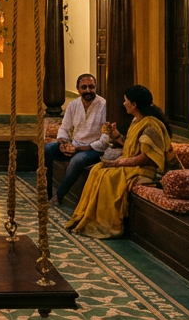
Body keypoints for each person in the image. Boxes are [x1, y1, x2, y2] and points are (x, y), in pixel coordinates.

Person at [65, 84, 171, 240]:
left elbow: (146, 157)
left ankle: (108, 223)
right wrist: (115, 136)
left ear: (134, 104)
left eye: (126, 100)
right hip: (130, 164)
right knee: (97, 170)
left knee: (107, 177)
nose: (124, 104)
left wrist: (118, 163)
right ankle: (86, 216)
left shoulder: (151, 125)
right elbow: (129, 144)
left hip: (141, 169)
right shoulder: (137, 120)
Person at [43, 73, 110, 203]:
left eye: (91, 87)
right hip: (75, 146)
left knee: (78, 160)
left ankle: (59, 196)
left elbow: (105, 139)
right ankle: (47, 192)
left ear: (96, 88)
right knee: (47, 149)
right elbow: (64, 128)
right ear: (78, 89)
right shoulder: (73, 105)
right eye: (84, 87)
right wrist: (64, 143)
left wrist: (80, 148)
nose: (88, 90)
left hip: (94, 149)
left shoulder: (104, 105)